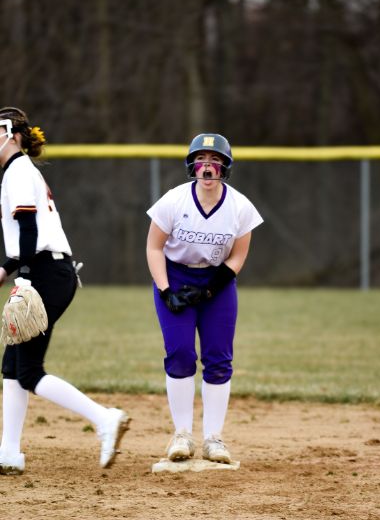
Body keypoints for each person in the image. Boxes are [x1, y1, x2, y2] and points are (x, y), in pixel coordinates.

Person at [0, 107, 130, 474]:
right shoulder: (17, 172)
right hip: (47, 268)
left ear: (12, 133)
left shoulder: (19, 170)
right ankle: (8, 452)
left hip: (47, 273)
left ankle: (105, 418)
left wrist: (22, 277)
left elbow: (28, 227)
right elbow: (34, 233)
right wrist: (9, 269)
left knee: (28, 370)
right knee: (12, 365)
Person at [146, 133, 262, 464]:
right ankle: (182, 434)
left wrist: (210, 289)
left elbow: (237, 258)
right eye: (201, 160)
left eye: (215, 161)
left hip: (218, 283)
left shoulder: (239, 206)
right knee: (180, 353)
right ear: (192, 166)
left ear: (225, 167)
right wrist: (166, 290)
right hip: (175, 276)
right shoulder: (174, 201)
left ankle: (213, 438)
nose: (207, 167)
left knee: (218, 358)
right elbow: (154, 247)